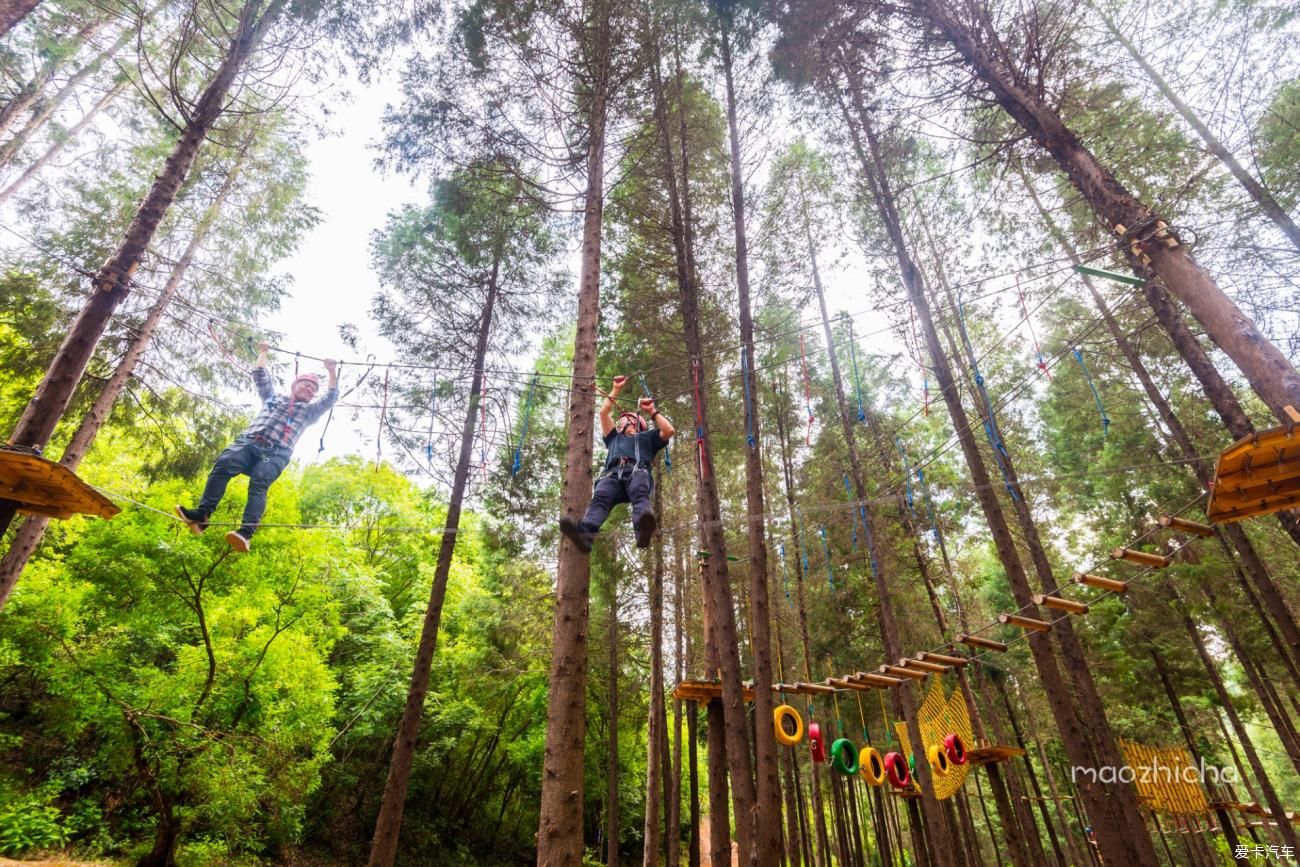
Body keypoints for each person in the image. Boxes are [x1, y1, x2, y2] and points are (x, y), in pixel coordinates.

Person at [176, 342, 338, 551]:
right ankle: (202, 515)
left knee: (260, 481)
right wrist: (263, 352)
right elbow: (260, 375)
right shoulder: (274, 398)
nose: (309, 389)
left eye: (313, 389)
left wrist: (332, 371)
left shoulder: (309, 411)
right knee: (224, 463)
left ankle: (245, 533)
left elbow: (330, 398)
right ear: (295, 385)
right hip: (249, 442)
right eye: (305, 384)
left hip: (277, 451)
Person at [559, 375, 674, 553]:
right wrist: (616, 390)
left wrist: (652, 411)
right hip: (612, 475)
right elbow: (604, 413)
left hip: (637, 472)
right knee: (600, 499)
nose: (619, 422)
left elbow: (669, 430)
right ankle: (586, 534)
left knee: (639, 493)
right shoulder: (614, 437)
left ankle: (642, 529)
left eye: (623, 420)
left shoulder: (647, 437)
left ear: (635, 423)